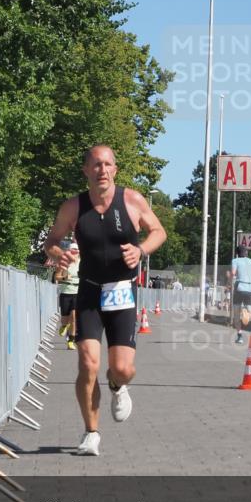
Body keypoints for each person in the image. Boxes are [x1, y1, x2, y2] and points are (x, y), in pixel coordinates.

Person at [44, 144, 167, 456]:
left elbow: (158, 231)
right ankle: (91, 432)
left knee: (123, 369)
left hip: (123, 291)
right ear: (86, 170)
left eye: (108, 164)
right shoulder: (72, 207)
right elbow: (52, 241)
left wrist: (141, 251)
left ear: (115, 170)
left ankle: (117, 385)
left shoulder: (132, 200)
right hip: (89, 290)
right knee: (87, 364)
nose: (102, 170)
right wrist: (59, 255)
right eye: (96, 165)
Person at [229, 244, 251, 345]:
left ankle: (239, 336)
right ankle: (246, 312)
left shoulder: (235, 260)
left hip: (239, 287)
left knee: (236, 315)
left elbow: (233, 273)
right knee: (249, 313)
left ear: (237, 254)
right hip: (249, 289)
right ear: (246, 253)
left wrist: (229, 284)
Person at [54, 241, 80, 350]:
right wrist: (64, 278)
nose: (74, 252)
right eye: (72, 250)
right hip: (65, 291)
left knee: (74, 316)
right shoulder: (63, 263)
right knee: (65, 318)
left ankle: (71, 340)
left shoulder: (82, 262)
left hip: (78, 291)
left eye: (76, 250)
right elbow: (56, 277)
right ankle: (64, 325)